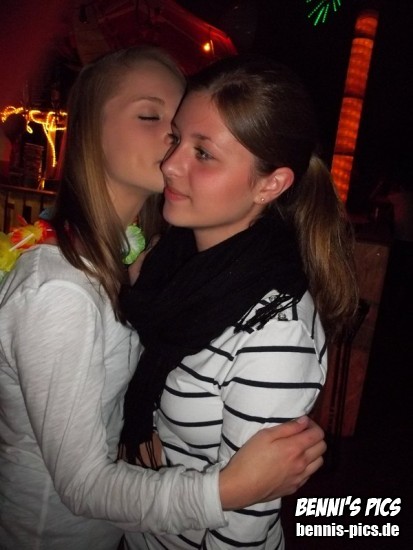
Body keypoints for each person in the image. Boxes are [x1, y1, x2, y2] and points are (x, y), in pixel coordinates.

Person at [0, 47, 326, 550]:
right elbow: (83, 481)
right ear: (87, 127)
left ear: (272, 184)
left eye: (188, 136)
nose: (171, 154)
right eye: (155, 119)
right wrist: (230, 488)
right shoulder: (67, 286)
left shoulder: (148, 264)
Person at [119, 55, 359, 549]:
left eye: (203, 153)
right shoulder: (170, 263)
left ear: (271, 184)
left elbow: (243, 530)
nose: (170, 164)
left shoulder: (274, 331)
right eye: (176, 139)